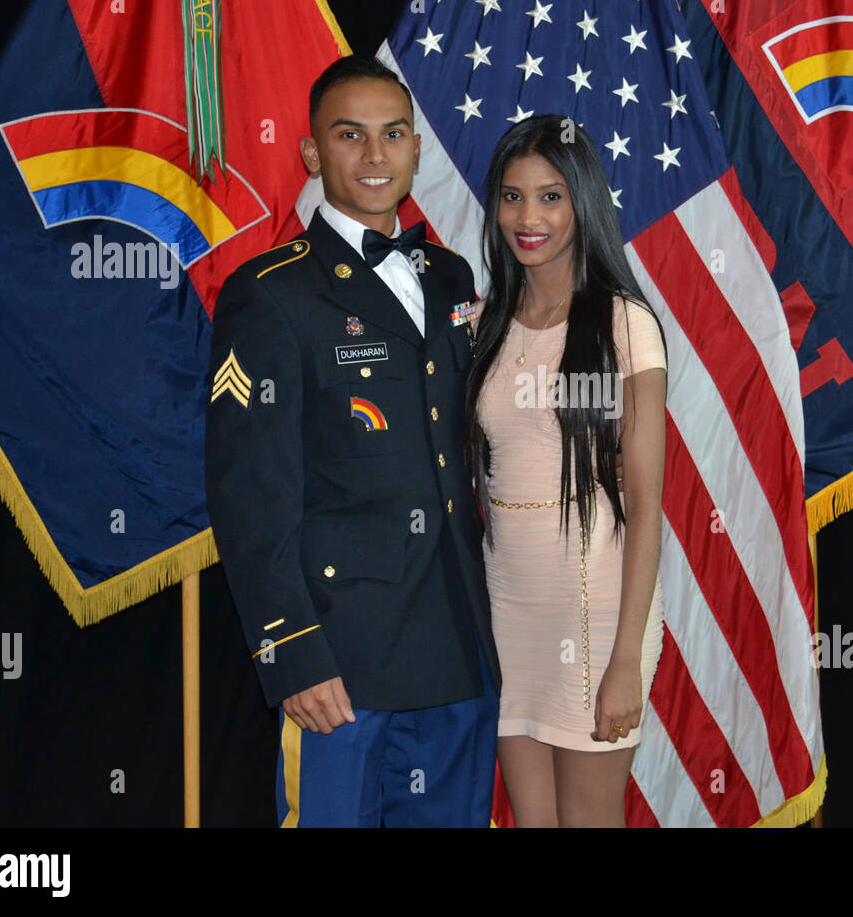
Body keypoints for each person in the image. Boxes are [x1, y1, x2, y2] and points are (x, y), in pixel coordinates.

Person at [205, 54, 500, 827]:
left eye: (393, 134)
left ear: (414, 149)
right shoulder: (270, 294)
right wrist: (291, 651)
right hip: (341, 655)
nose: (375, 156)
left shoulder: (450, 277)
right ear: (312, 154)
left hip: (458, 639)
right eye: (350, 135)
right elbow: (248, 494)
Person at [465, 116, 668, 827]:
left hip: (597, 613)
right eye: (513, 197)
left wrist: (625, 662)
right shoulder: (485, 321)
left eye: (551, 197)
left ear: (583, 201)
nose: (529, 218)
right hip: (507, 612)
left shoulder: (623, 324)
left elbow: (646, 505)